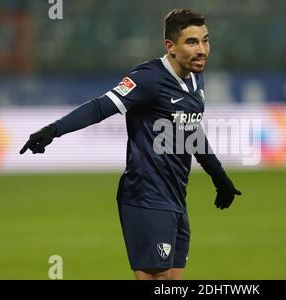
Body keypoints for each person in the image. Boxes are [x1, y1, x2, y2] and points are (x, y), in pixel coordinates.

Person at [19, 8, 241, 279]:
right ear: (170, 47)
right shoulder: (148, 78)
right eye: (192, 42)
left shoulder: (195, 78)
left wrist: (219, 177)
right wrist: (54, 130)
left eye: (205, 40)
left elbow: (191, 131)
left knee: (172, 279)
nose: (202, 49)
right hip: (146, 196)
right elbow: (101, 106)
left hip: (176, 197)